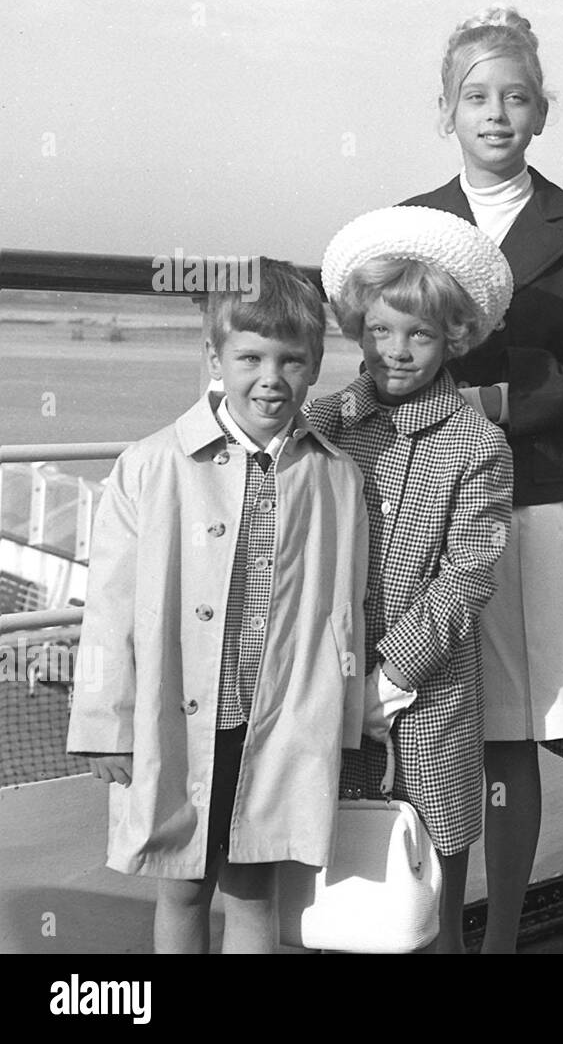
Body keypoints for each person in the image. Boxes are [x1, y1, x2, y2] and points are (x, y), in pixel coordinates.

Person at [399, 7, 563, 954]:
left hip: (536, 497)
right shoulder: (409, 223)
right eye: (476, 97)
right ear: (445, 109)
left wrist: (498, 405)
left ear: (542, 112)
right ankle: (439, 928)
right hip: (434, 513)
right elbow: (386, 357)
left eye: (516, 98)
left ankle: (504, 937)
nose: (496, 113)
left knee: (517, 730)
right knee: (444, 722)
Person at [67, 259, 369, 954]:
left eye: (293, 360)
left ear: (316, 366)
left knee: (256, 891)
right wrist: (107, 723)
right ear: (214, 357)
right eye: (251, 356)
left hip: (284, 713)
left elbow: (344, 611)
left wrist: (345, 721)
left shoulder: (334, 474)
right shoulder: (150, 465)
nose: (272, 377)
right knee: (181, 884)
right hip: (178, 710)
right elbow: (107, 610)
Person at [309, 206, 515, 953]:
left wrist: (386, 679)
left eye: (421, 334)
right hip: (323, 694)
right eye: (381, 330)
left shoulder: (478, 444)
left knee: (427, 911)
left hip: (425, 701)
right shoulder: (320, 424)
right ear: (357, 327)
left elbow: (467, 578)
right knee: (333, 900)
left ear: (453, 336)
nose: (397, 350)